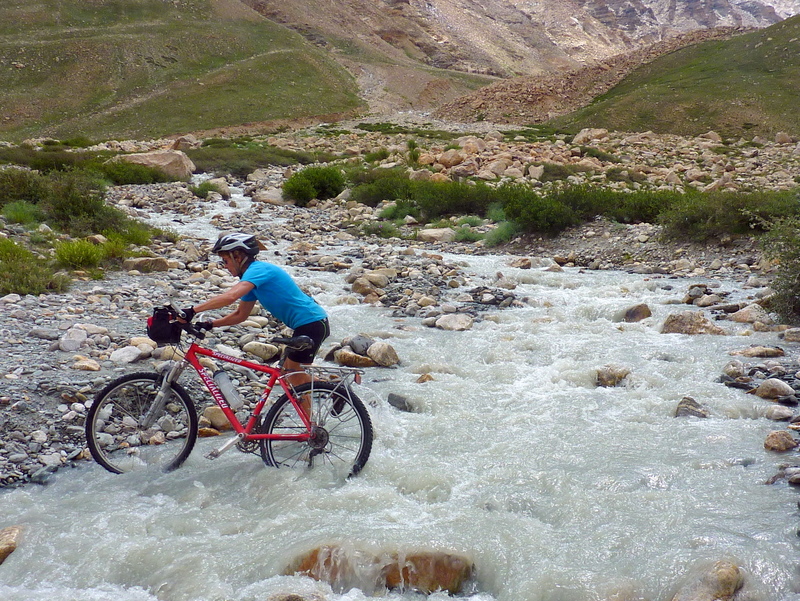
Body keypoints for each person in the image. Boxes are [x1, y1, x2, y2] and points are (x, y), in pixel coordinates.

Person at [180, 232, 330, 403]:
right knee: (290, 377)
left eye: (225, 261)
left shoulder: (258, 270)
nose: (225, 266)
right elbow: (240, 315)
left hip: (312, 323)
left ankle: (312, 425)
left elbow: (231, 296)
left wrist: (192, 310)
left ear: (237, 256)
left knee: (295, 379)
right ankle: (332, 388)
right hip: (307, 324)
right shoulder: (251, 279)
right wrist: (210, 324)